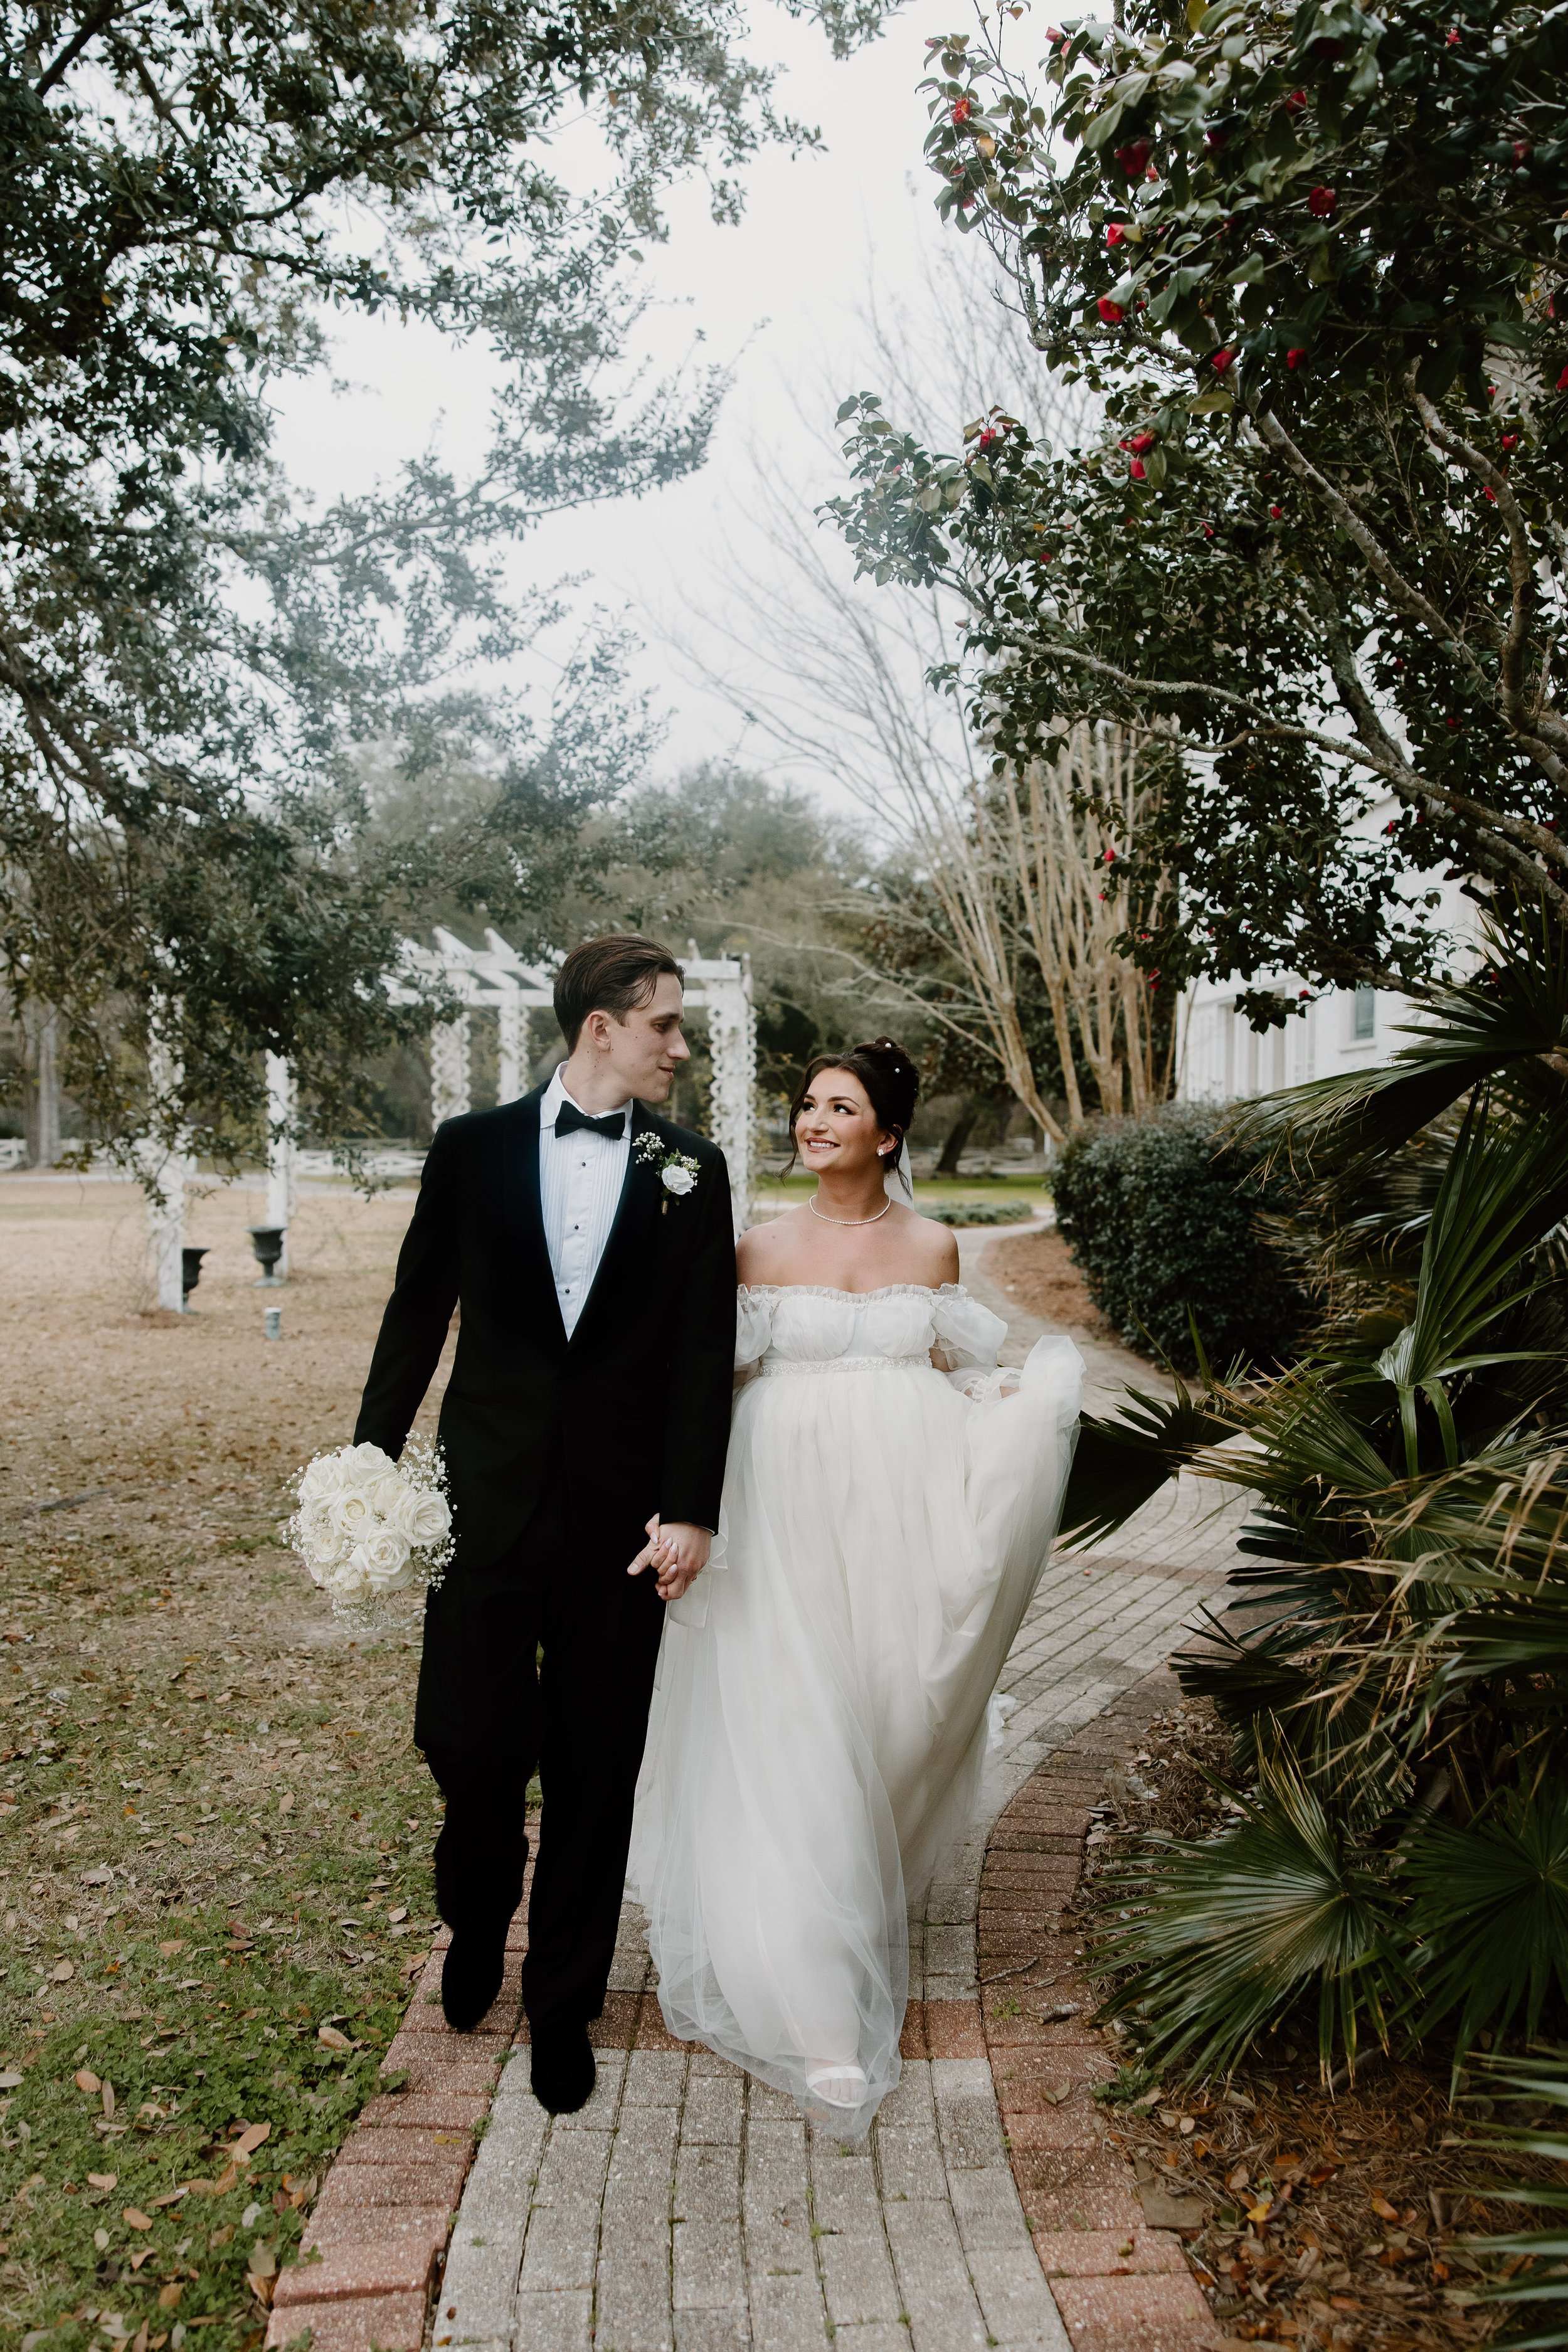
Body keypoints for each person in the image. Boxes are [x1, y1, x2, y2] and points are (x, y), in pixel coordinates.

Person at [630, 1038, 1082, 2133]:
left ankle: (851, 1896)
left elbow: (956, 1366)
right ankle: (820, 2004)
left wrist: (1014, 1404)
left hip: (899, 1509)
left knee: (889, 1708)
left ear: (888, 1133)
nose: (815, 1121)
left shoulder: (934, 1245)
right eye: (807, 1104)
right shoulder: (753, 1247)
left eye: (842, 1107)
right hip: (779, 1505)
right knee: (795, 1723)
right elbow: (711, 1377)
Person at [353, 936, 736, 2116]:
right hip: (487, 1505)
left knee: (595, 1763)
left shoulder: (694, 1169)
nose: (681, 1045)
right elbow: (417, 1313)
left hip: (621, 1525)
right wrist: (367, 1466)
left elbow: (699, 1355)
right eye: (664, 1023)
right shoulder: (469, 1151)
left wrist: (691, 1509)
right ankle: (475, 1917)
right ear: (602, 1026)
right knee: (466, 1741)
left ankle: (562, 2001)